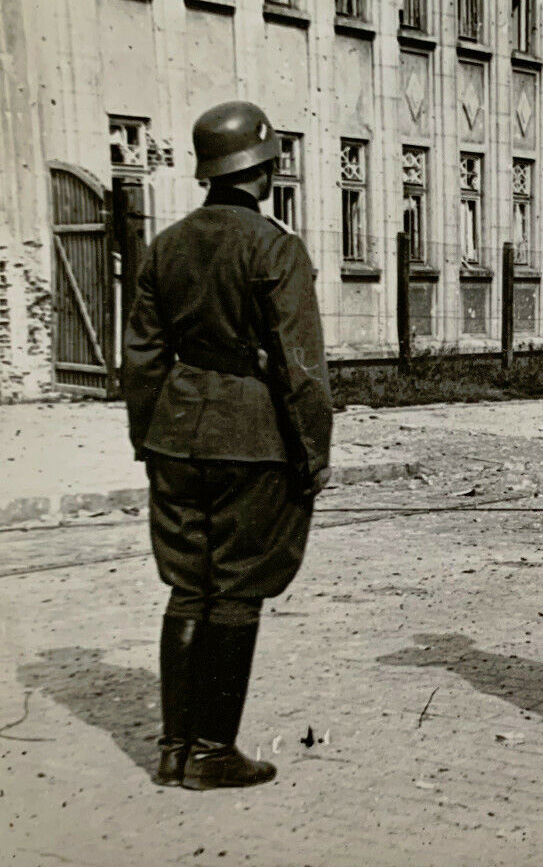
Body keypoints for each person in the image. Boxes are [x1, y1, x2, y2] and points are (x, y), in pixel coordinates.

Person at [123, 100, 332, 790]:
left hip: (176, 434)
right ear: (264, 170)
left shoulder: (167, 246)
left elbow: (142, 359)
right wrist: (314, 454)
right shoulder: (275, 247)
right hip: (252, 436)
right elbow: (301, 369)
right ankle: (213, 752)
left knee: (188, 587)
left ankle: (174, 749)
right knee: (238, 589)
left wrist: (149, 439)